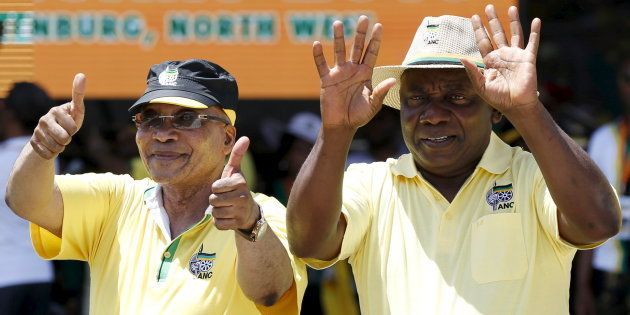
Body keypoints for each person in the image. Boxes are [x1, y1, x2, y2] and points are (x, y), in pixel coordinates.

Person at [286, 5, 621, 315]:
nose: (432, 116)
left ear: (493, 109)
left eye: (456, 97)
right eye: (416, 98)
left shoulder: (534, 178)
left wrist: (527, 110)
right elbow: (309, 243)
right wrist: (335, 131)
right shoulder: (373, 186)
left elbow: (598, 224)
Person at [5, 59, 307, 314]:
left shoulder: (263, 214)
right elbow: (25, 201)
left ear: (227, 139)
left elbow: (270, 291)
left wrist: (249, 225)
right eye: (149, 119)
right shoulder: (116, 201)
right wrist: (41, 149)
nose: (163, 135)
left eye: (187, 119)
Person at [574, 53, 630, 315]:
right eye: (629, 79)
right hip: (608, 271)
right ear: (619, 84)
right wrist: (582, 286)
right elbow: (589, 215)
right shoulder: (604, 138)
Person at [0, 82, 55, 315]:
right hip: (40, 272)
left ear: (9, 114)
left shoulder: (3, 159)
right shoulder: (51, 159)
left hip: (5, 275)